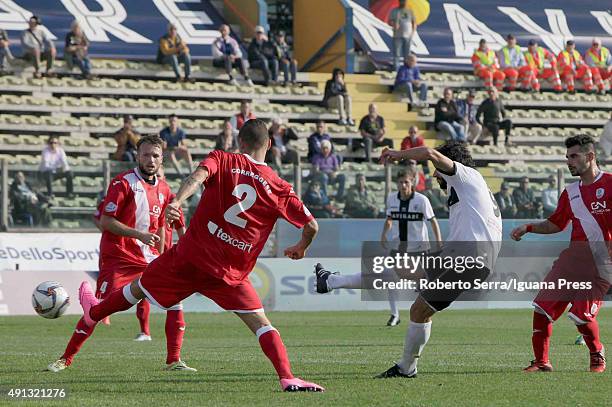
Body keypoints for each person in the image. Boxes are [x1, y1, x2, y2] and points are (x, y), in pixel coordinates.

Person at [74, 119, 325, 392]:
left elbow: (197, 176)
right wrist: (301, 246)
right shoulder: (279, 186)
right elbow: (312, 226)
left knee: (138, 289)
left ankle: (95, 311)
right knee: (261, 324)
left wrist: (178, 201)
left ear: (240, 142)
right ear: (269, 144)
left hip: (190, 258)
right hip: (230, 272)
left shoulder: (222, 158)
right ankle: (287, 377)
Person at [47, 135, 193, 373]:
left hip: (149, 257)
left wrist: (166, 251)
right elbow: (106, 221)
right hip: (119, 256)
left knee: (175, 300)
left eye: (155, 155)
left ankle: (174, 361)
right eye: (145, 154)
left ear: (162, 158)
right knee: (100, 311)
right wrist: (139, 235)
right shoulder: (122, 183)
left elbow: (162, 226)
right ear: (137, 156)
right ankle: (66, 358)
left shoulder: (165, 190)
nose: (150, 159)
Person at [358, 141, 501, 379]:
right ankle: (332, 281)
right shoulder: (468, 187)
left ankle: (406, 368)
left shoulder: (464, 176)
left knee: (419, 310)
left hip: (470, 261)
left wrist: (397, 154)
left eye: (437, 168)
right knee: (401, 271)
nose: (434, 173)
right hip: (462, 257)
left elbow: (428, 152)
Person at [511, 134, 609, 374]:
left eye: (574, 156)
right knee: (542, 307)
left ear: (590, 156)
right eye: (567, 157)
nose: (569, 161)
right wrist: (529, 227)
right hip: (572, 260)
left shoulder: (610, 184)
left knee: (580, 316)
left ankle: (597, 354)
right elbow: (557, 223)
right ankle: (541, 361)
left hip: (602, 262)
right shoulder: (571, 192)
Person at [315, 169, 442, 328]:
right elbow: (389, 219)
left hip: (419, 251)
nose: (403, 185)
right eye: (401, 182)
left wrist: (439, 243)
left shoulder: (421, 200)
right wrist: (384, 234)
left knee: (388, 278)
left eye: (407, 182)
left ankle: (332, 281)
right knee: (389, 278)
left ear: (413, 182)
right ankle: (332, 281)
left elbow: (433, 221)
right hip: (400, 250)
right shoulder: (392, 199)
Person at [388, 0, 416, 69]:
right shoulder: (395, 11)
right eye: (402, 1)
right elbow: (389, 21)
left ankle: (406, 68)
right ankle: (396, 68)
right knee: (397, 53)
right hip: (397, 35)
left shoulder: (410, 11)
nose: (403, 2)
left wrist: (413, 32)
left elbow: (414, 22)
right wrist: (393, 24)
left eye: (405, 1)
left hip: (408, 35)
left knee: (407, 53)